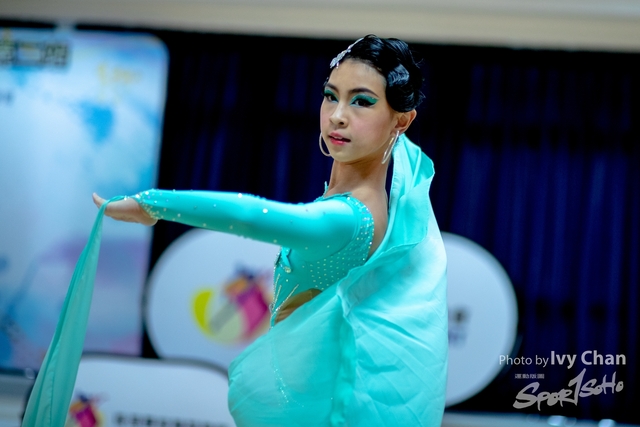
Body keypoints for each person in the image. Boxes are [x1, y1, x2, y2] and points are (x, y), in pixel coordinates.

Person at [25, 35, 448, 427]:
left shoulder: (352, 217)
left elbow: (249, 216)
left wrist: (152, 204)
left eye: (362, 101)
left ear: (402, 121)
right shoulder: (354, 203)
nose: (337, 115)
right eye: (330, 95)